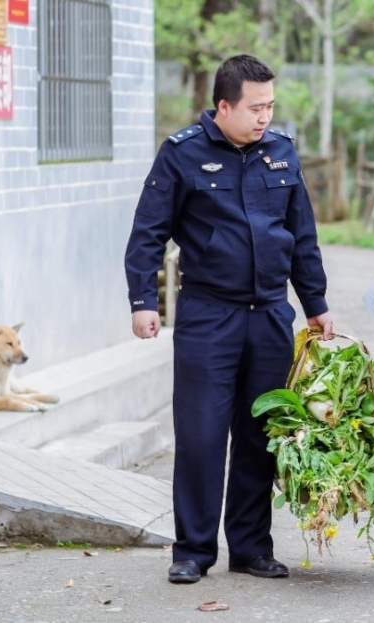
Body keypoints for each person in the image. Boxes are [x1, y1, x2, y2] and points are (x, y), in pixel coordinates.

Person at [124, 54, 333, 585]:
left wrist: (316, 305)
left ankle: (250, 547)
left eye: (270, 106)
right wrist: (142, 301)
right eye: (255, 107)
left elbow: (302, 236)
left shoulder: (281, 153)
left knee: (261, 433)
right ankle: (192, 551)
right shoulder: (181, 154)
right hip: (207, 315)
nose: (265, 117)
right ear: (224, 106)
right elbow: (148, 231)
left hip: (268, 316)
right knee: (200, 436)